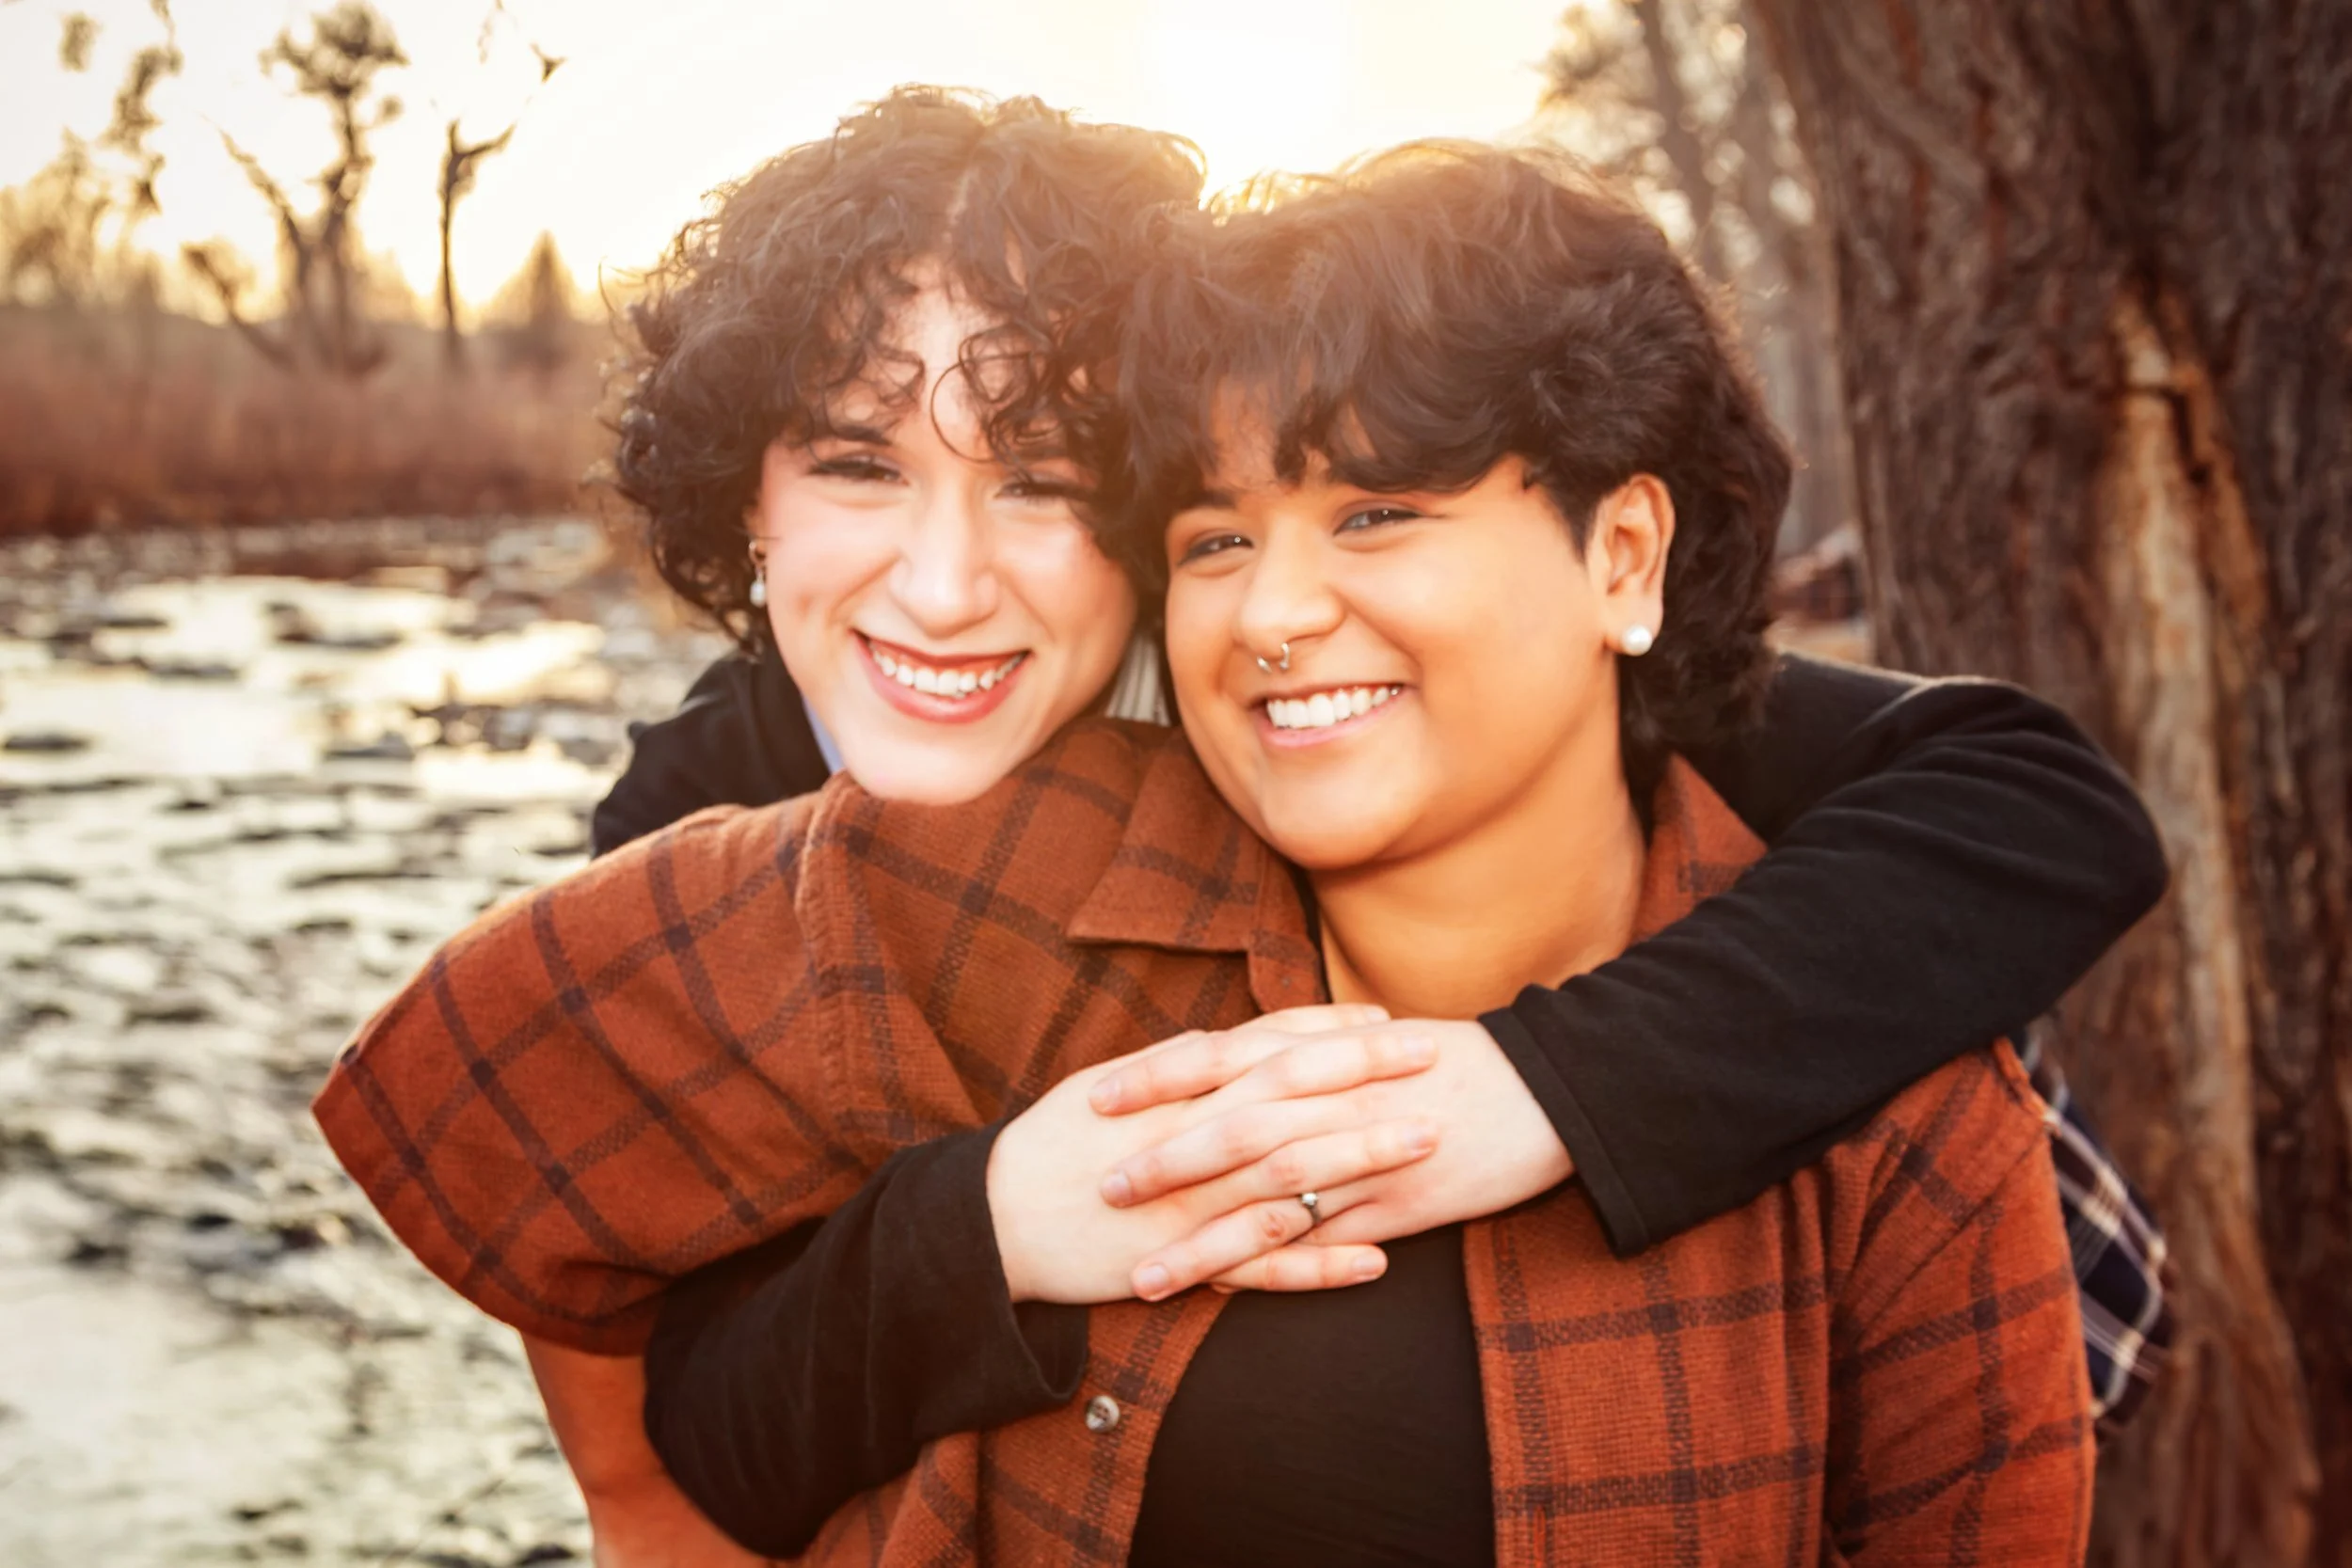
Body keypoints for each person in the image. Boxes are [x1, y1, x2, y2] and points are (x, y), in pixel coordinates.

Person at [318, 93, 2164, 1560]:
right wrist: (986, 1225)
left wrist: (1545, 1088)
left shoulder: (1478, 728)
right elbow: (646, 1352)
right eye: (858, 463)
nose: (943, 584)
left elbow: (2034, 804)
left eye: (1040, 481)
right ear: (748, 498)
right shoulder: (733, 809)